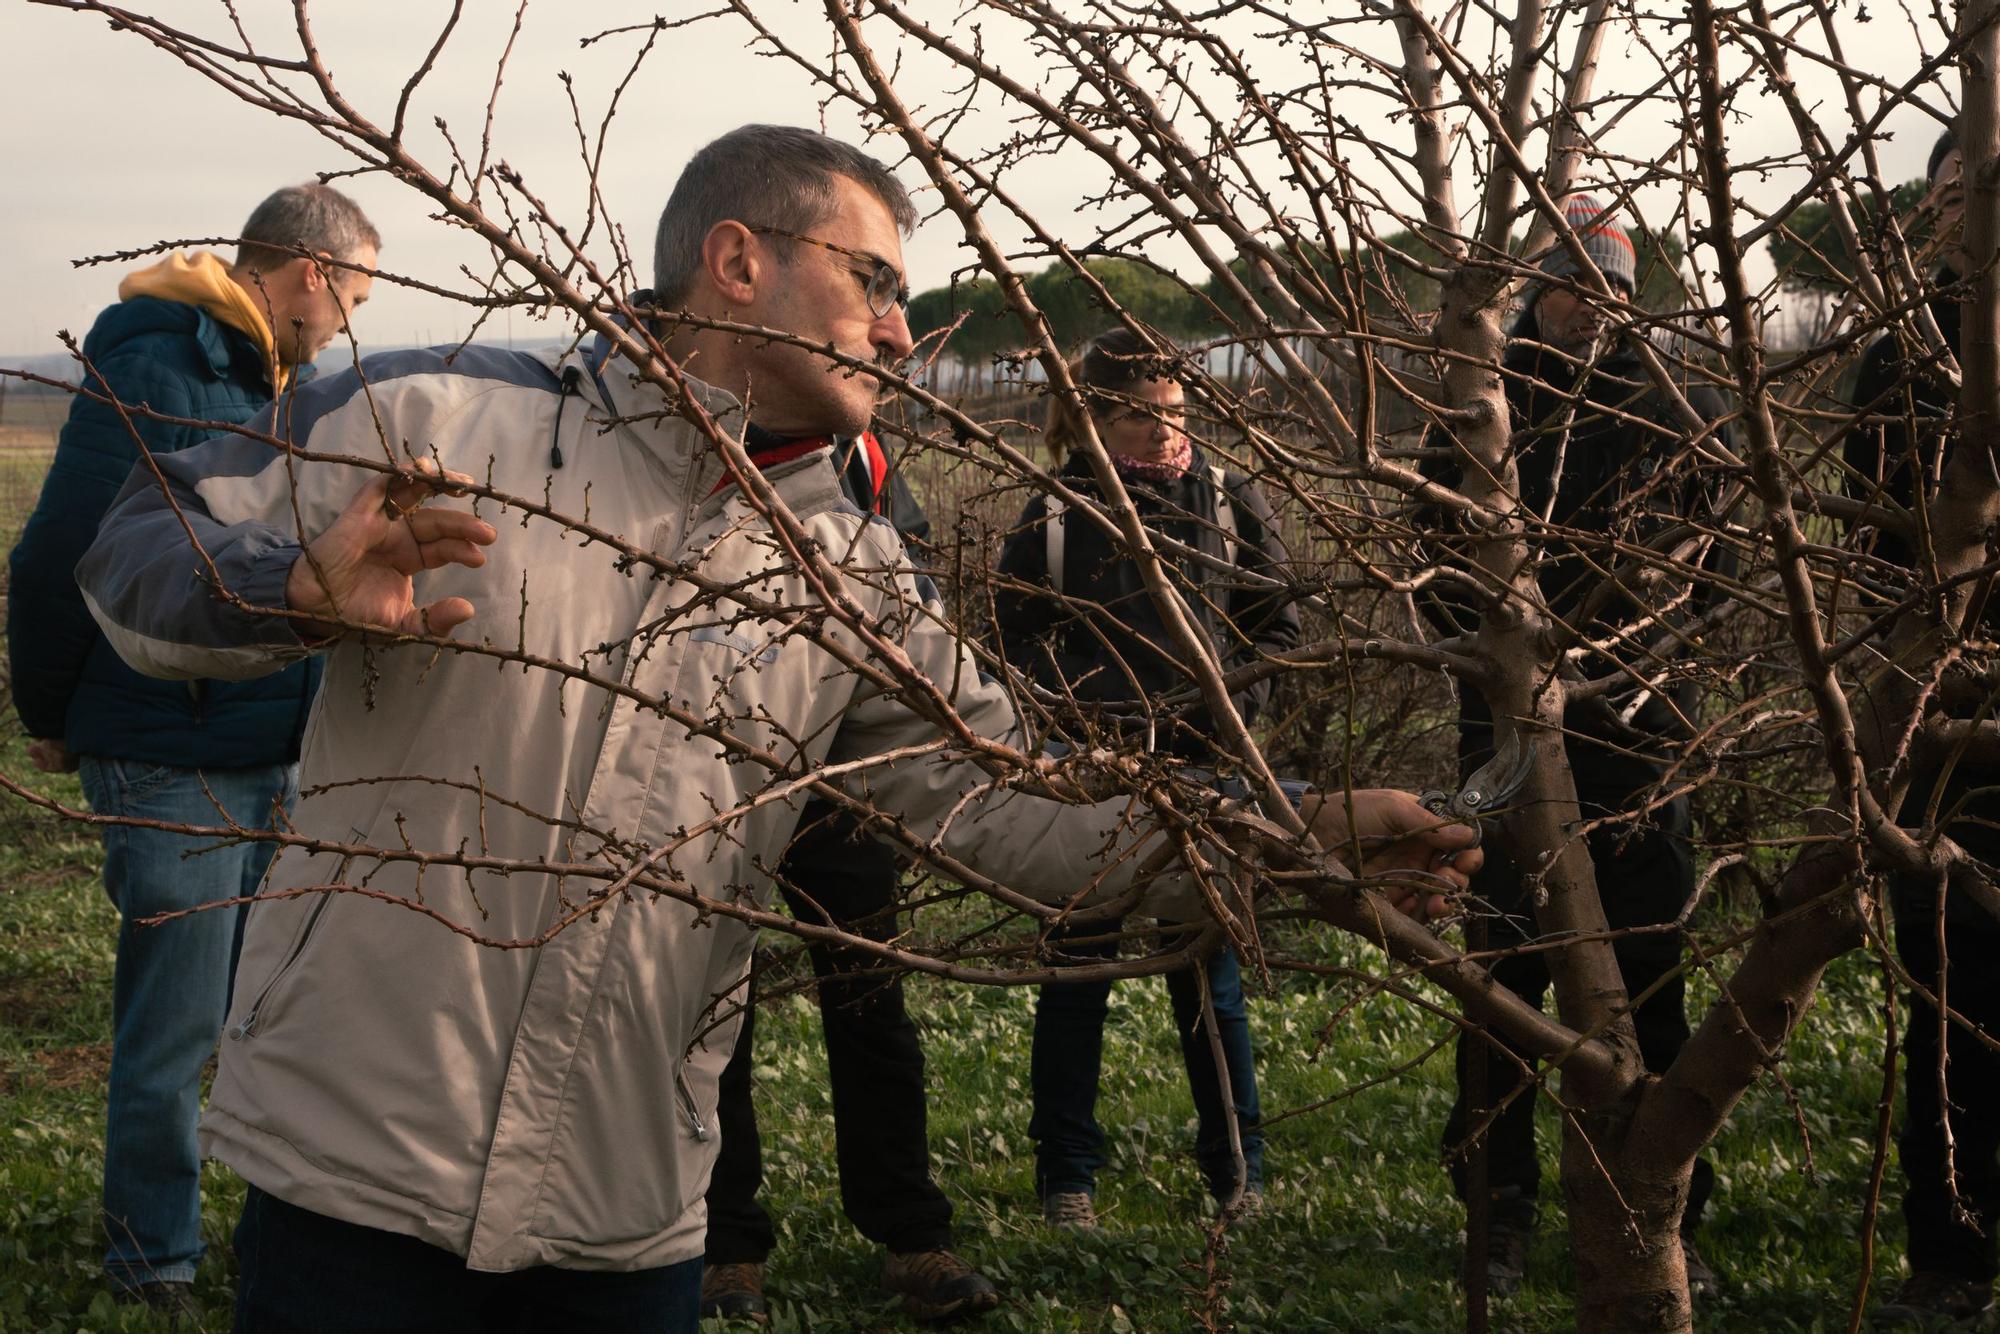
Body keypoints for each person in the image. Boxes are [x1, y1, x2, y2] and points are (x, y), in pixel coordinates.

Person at [74, 124, 1478, 1333]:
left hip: (626, 1216)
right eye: (873, 280)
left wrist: (1285, 837)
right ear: (737, 262)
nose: (902, 332)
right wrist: (287, 589)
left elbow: (1023, 811)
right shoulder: (436, 416)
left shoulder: (855, 575)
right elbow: (132, 555)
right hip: (348, 1180)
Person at [5, 183, 377, 1313]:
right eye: (354, 292)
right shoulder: (163, 366)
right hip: (174, 750)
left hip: (275, 746)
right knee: (173, 1028)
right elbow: (62, 544)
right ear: (308, 273)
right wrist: (53, 713)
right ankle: (152, 1257)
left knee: (270, 1015)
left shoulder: (282, 379)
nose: (355, 318)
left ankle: (269, 1233)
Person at [1424, 193, 1727, 1298]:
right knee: (1500, 973)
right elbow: (1426, 557)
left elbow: (1720, 569)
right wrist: (1497, 659)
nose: (1584, 302)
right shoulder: (1477, 405)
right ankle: (1495, 1211)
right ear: (1535, 287)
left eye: (1605, 283)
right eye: (1566, 281)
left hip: (1645, 738)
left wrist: (1647, 661)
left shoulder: (1678, 404)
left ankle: (1662, 1198)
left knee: (1649, 971)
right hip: (1505, 735)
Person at [990, 328, 1300, 1227]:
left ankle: (1237, 1171)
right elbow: (1013, 642)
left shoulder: (1233, 497)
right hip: (1090, 778)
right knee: (1075, 976)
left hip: (1211, 772)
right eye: (1140, 417)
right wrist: (1084, 725)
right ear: (1094, 418)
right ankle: (1067, 1183)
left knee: (1212, 981)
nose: (1165, 434)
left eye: (1175, 414)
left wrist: (1237, 707)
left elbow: (1278, 622)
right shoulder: (1055, 512)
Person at [699, 435, 1000, 1323]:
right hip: (722, 775)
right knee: (715, 1010)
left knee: (871, 1004)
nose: (887, 335)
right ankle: (726, 1247)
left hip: (843, 780)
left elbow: (911, 598)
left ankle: (912, 1234)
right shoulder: (676, 434)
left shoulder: (861, 453)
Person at [1844, 129, 2000, 1331]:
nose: (1964, 211)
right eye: (1948, 191)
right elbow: (1866, 543)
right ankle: (1946, 1253)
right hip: (1941, 721)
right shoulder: (1903, 351)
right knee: (1948, 995)